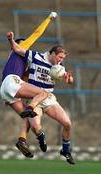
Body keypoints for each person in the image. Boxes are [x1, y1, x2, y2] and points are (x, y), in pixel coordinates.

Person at [7, 32, 75, 164]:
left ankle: (65, 151)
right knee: (35, 127)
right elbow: (17, 49)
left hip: (48, 99)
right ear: (52, 53)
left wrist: (69, 79)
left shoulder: (59, 68)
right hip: (34, 99)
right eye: (59, 57)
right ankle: (41, 138)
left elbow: (70, 79)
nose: (60, 61)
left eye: (62, 59)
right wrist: (11, 40)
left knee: (67, 123)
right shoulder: (36, 56)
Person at [0, 12, 57, 119]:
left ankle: (35, 134)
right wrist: (49, 18)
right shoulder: (21, 48)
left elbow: (24, 80)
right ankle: (32, 109)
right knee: (43, 94)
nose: (26, 47)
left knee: (27, 116)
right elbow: (37, 33)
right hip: (12, 82)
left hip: (4, 89)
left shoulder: (12, 60)